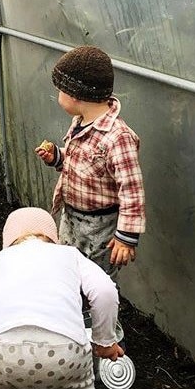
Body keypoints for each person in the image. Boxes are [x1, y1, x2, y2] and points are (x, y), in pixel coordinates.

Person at [34, 45, 146, 345]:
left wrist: (125, 237)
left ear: (75, 95)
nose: (58, 95)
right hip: (72, 218)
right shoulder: (82, 123)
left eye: (59, 89)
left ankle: (106, 342)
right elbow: (82, 167)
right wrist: (57, 157)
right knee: (69, 271)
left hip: (100, 228)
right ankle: (73, 328)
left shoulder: (117, 137)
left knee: (98, 285)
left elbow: (132, 191)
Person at [0, 207, 123, 389]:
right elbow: (105, 291)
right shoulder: (69, 254)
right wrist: (105, 342)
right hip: (64, 350)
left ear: (8, 241)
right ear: (53, 238)